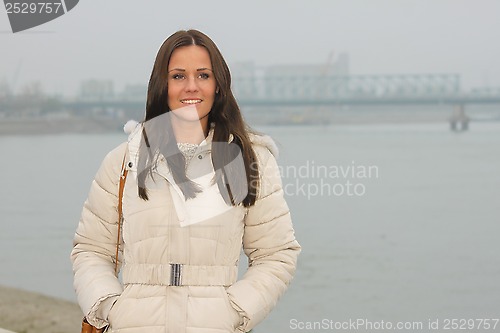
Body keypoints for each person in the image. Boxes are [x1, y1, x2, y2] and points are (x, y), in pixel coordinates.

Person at [71, 29, 301, 333]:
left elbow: (276, 253)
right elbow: (91, 249)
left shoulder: (249, 161)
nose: (191, 86)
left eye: (203, 75)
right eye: (178, 76)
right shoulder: (123, 161)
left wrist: (235, 312)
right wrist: (108, 305)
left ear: (218, 84)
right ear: (162, 84)